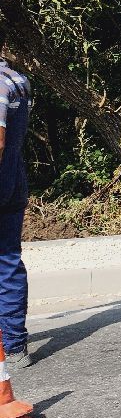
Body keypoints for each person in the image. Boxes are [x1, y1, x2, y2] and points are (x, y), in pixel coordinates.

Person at [0, 58, 31, 366]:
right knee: (8, 260)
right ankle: (15, 345)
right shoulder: (17, 78)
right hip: (14, 180)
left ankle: (9, 342)